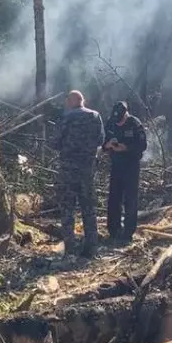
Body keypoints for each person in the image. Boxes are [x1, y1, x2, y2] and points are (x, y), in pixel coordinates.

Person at [51, 90, 104, 257]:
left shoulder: (67, 118)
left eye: (67, 99)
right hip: (87, 170)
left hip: (68, 171)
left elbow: (55, 142)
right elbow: (101, 140)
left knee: (68, 209)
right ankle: (92, 248)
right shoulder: (95, 116)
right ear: (83, 100)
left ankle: (70, 249)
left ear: (71, 101)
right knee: (89, 209)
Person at [102, 100, 147, 244]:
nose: (118, 123)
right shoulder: (111, 122)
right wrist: (108, 145)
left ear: (126, 114)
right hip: (116, 165)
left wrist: (125, 148)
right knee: (114, 198)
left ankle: (128, 232)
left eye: (120, 120)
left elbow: (142, 145)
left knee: (130, 199)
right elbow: (102, 143)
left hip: (131, 166)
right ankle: (113, 230)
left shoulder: (135, 124)